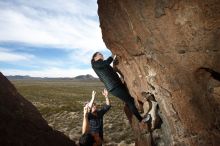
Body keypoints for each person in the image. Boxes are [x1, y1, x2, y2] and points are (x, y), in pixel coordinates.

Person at [91, 52, 150, 126]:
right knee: (129, 101)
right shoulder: (95, 64)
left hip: (116, 85)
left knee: (129, 100)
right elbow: (106, 63)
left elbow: (109, 70)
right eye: (100, 54)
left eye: (102, 54)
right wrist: (112, 56)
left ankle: (138, 115)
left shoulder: (100, 65)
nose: (102, 55)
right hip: (114, 87)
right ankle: (141, 120)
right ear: (95, 58)